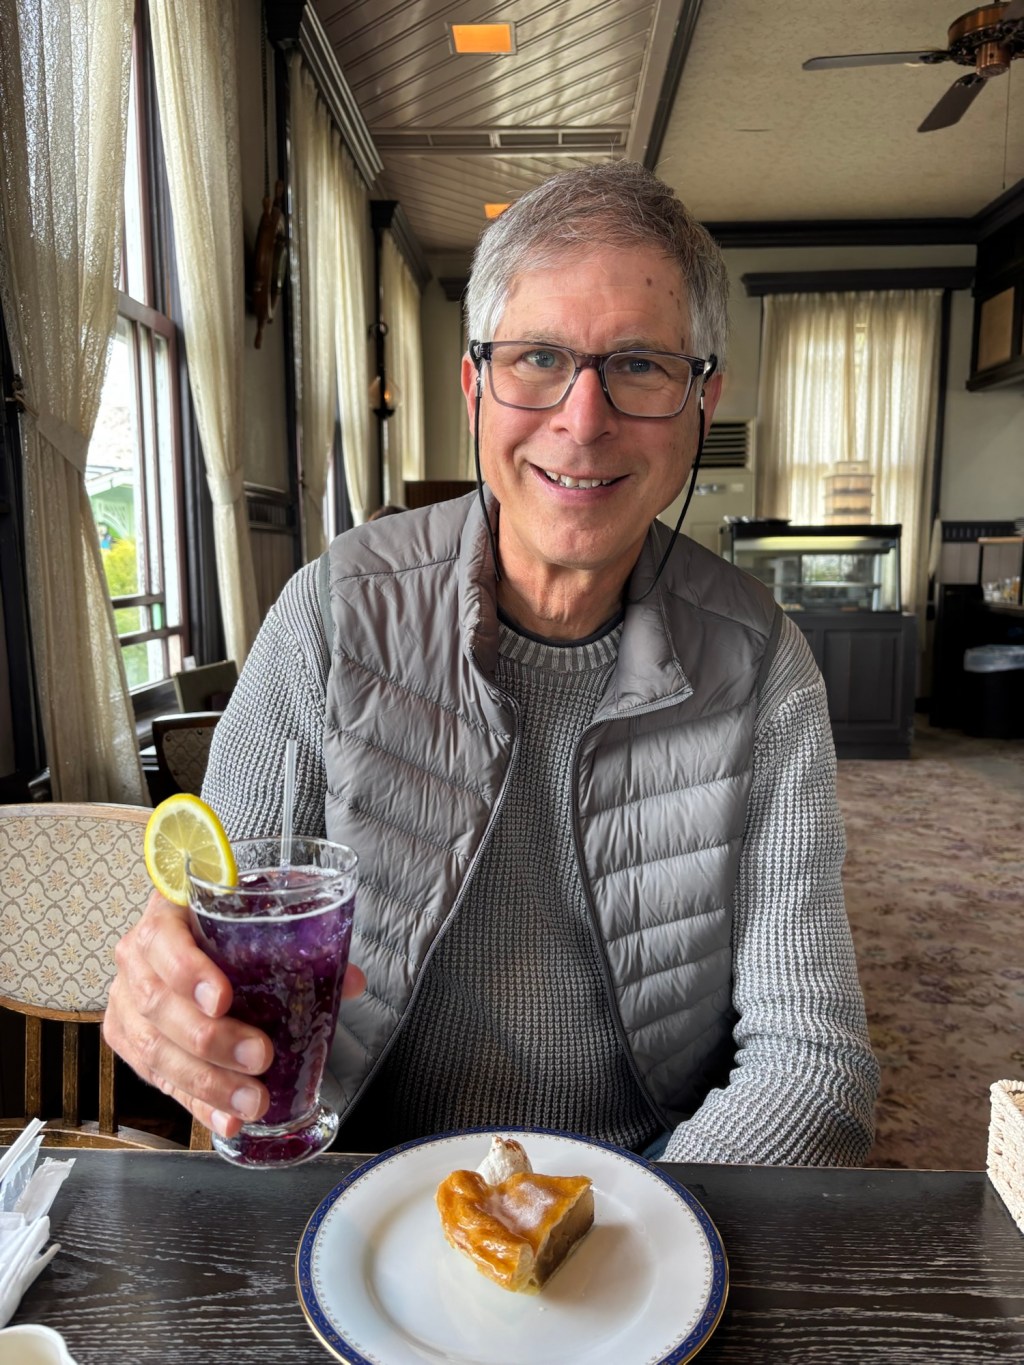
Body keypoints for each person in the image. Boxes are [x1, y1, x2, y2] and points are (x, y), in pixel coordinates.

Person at [105, 162, 879, 1163]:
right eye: (537, 358)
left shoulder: (763, 663)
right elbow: (222, 952)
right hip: (355, 1183)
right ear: (474, 387)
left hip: (649, 1188)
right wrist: (168, 1004)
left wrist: (614, 1238)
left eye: (640, 364)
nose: (584, 418)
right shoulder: (331, 616)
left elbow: (812, 1062)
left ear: (702, 402)